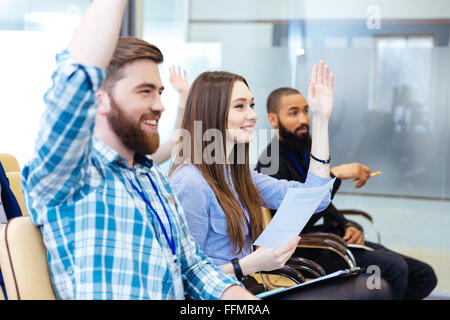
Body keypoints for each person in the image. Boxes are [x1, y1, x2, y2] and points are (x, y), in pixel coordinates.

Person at [21, 0, 255, 300]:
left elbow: (194, 268)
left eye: (159, 92)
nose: (159, 105)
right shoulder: (71, 176)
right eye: (144, 91)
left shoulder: (151, 178)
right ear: (100, 98)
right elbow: (75, 81)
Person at [169, 65, 392, 299]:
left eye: (251, 105)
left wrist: (320, 119)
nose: (253, 115)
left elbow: (316, 198)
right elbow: (184, 277)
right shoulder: (190, 182)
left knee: (373, 289)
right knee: (370, 290)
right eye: (240, 106)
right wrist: (246, 265)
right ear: (212, 113)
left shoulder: (238, 175)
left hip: (249, 290)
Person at [255, 87, 438, 300]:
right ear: (273, 119)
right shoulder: (270, 163)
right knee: (395, 270)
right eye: (293, 113)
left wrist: (348, 225)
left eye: (306, 111)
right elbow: (288, 227)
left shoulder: (303, 152)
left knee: (424, 275)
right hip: (306, 249)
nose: (304, 119)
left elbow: (325, 205)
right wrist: (336, 174)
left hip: (332, 237)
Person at [150, 66, 189, 164]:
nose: (160, 107)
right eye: (145, 91)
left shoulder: (141, 160)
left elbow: (175, 142)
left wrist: (184, 93)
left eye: (160, 93)